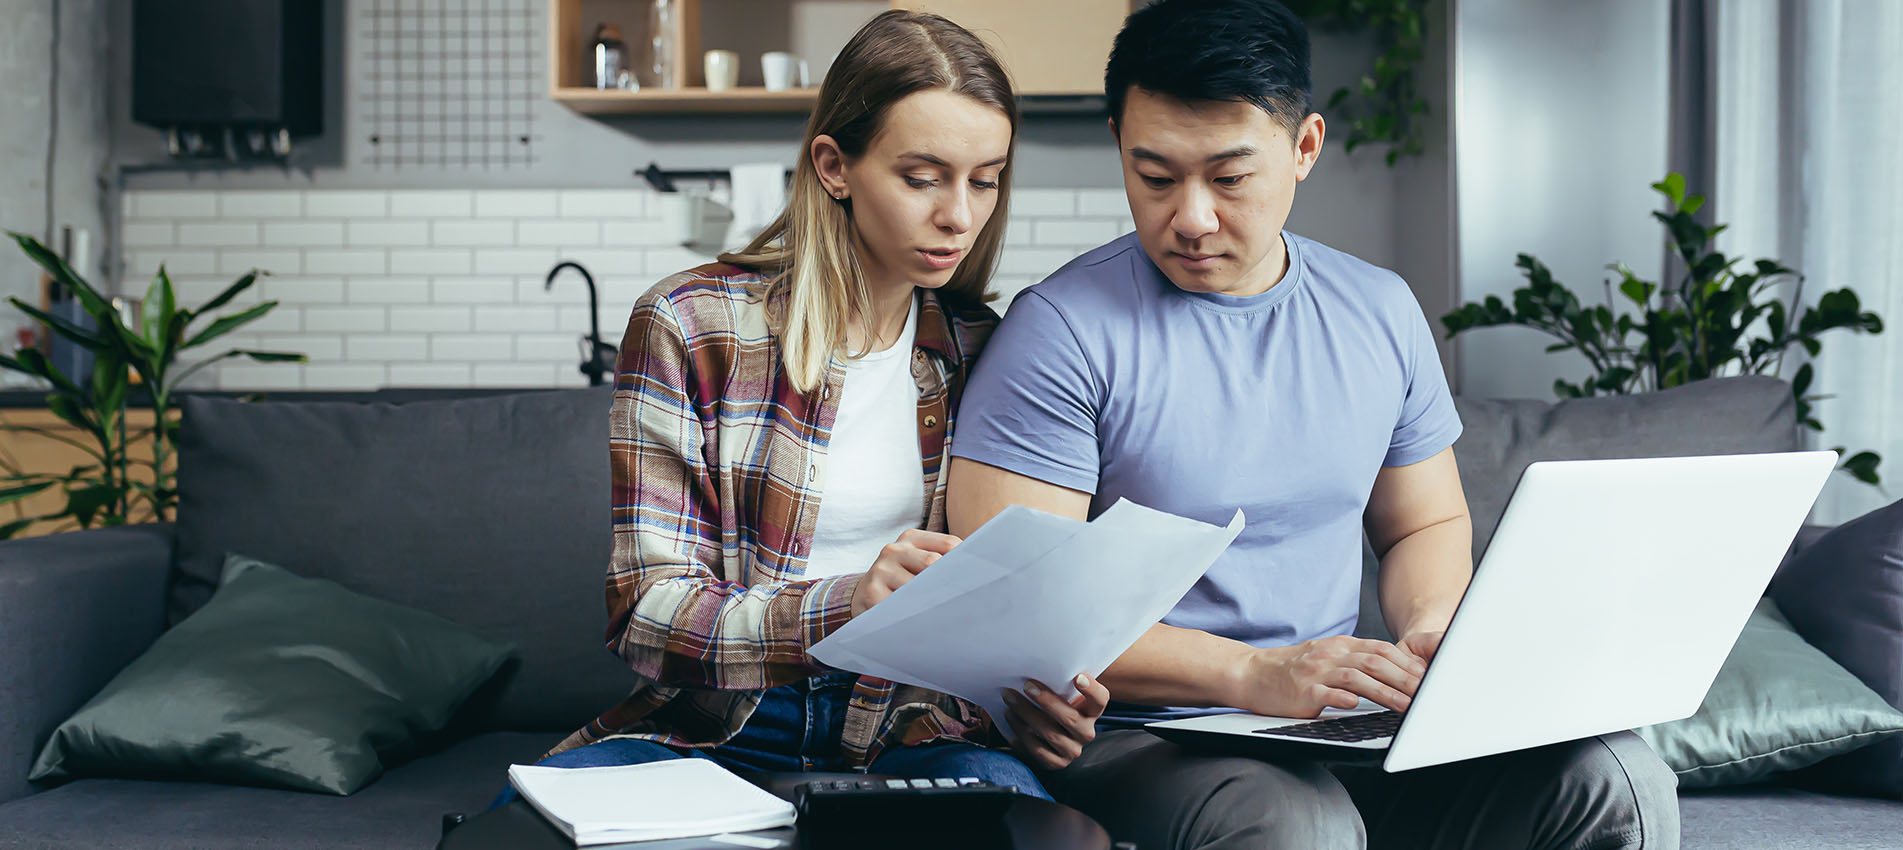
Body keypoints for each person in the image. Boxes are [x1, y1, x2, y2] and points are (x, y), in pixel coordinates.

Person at [944, 0, 1680, 847]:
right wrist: (1251, 672)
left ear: (1303, 149)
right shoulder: (1060, 331)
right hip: (1140, 736)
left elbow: (1424, 523)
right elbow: (1022, 613)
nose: (1189, 217)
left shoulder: (1379, 311)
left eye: (1228, 178)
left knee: (1615, 780)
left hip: (1325, 724)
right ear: (1119, 143)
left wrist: (1432, 627)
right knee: (1299, 825)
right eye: (1154, 176)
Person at [509, 9, 1108, 803]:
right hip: (721, 728)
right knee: (522, 824)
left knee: (1031, 829)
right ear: (834, 166)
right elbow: (645, 612)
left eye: (985, 178)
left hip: (911, 728)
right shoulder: (689, 325)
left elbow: (1000, 603)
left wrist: (1034, 703)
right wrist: (844, 606)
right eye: (922, 176)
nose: (959, 214)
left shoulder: (984, 347)